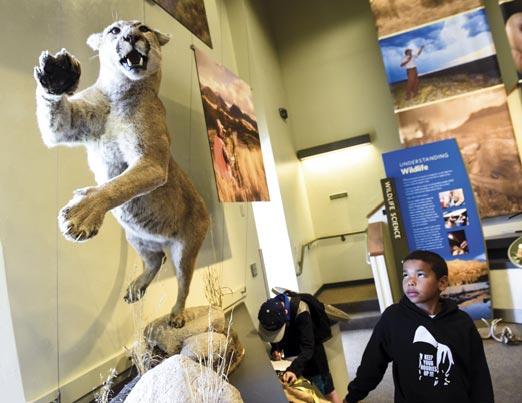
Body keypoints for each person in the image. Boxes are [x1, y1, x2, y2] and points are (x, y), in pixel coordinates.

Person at [344, 250, 493, 403]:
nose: (410, 281)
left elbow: (478, 373)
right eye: (405, 275)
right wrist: (352, 397)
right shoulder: (393, 318)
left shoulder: (461, 322)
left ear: (442, 283)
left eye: (420, 275)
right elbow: (372, 364)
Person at [258, 294, 342, 403]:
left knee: (328, 393)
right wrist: (275, 349)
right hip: (294, 357)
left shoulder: (302, 311)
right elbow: (275, 334)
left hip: (313, 356)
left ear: (286, 314)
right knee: (310, 394)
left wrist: (294, 370)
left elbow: (308, 347)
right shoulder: (271, 312)